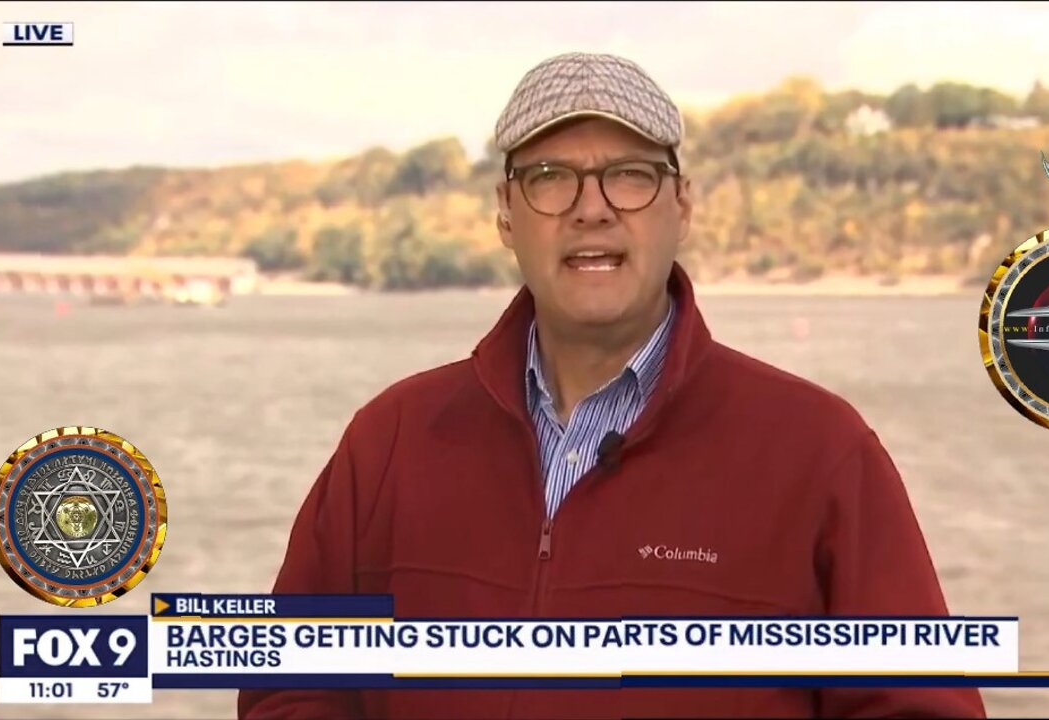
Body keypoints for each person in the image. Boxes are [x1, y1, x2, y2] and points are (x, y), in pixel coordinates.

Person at [238, 51, 986, 720]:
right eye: (550, 178)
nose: (591, 207)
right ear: (506, 213)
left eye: (629, 175)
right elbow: (288, 685)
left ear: (681, 206)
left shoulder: (817, 451)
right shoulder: (391, 441)